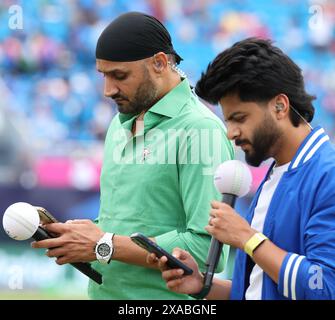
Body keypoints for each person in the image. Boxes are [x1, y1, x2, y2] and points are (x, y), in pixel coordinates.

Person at [31, 12, 234, 299]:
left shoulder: (201, 130)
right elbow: (124, 228)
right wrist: (76, 238)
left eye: (119, 76)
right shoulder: (120, 122)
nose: (107, 90)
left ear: (160, 63)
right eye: (103, 75)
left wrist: (103, 244)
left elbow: (206, 252)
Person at [149, 38, 335, 300]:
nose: (230, 133)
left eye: (240, 118)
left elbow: (324, 286)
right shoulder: (276, 174)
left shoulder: (327, 175)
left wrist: (247, 237)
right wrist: (202, 285)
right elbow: (259, 289)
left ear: (280, 106)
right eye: (227, 120)